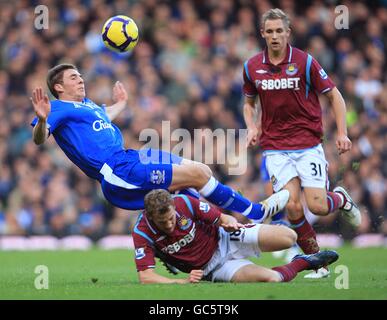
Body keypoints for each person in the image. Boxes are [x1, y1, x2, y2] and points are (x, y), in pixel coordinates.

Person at [30, 63, 289, 224]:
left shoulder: (87, 106)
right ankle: (255, 213)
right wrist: (42, 121)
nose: (81, 79)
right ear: (59, 87)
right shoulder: (57, 108)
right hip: (116, 171)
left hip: (132, 156)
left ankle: (224, 229)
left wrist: (121, 103)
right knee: (196, 177)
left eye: (80, 75)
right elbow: (40, 139)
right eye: (74, 77)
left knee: (200, 174)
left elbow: (104, 116)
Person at [242, 9, 361, 276]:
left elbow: (335, 96)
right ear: (262, 33)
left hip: (307, 144)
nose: (274, 36)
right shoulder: (251, 67)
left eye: (279, 31)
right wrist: (251, 127)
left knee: (317, 205)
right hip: (274, 147)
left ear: (288, 33)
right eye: (269, 31)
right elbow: (248, 104)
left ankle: (340, 199)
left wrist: (342, 133)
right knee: (293, 206)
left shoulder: (305, 62)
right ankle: (317, 262)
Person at [132, 189, 339, 284]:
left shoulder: (184, 202)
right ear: (149, 216)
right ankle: (302, 263)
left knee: (289, 237)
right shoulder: (142, 231)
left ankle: (264, 221)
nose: (169, 225)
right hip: (213, 269)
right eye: (163, 223)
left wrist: (228, 221)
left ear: (173, 207)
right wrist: (182, 282)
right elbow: (146, 277)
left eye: (171, 219)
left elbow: (220, 217)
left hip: (225, 239)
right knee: (272, 279)